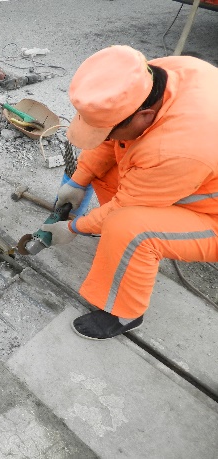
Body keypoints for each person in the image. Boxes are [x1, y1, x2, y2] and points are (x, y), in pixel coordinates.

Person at [42, 45, 218, 340]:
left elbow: (123, 208)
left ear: (145, 116)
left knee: (129, 227)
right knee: (111, 173)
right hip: (191, 175)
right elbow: (112, 138)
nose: (106, 137)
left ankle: (125, 314)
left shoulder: (177, 149)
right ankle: (120, 247)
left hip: (210, 217)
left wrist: (73, 226)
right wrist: (79, 180)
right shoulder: (157, 75)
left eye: (109, 131)